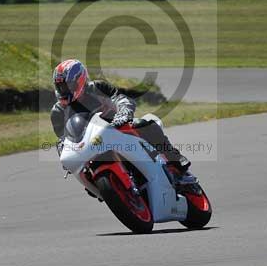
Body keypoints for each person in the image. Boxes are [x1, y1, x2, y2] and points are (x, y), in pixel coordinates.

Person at [50, 59, 197, 186]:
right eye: (60, 87)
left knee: (147, 123)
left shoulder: (98, 87)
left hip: (119, 127)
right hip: (91, 144)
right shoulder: (58, 112)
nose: (63, 90)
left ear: (80, 79)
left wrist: (123, 113)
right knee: (83, 173)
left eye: (66, 86)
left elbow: (121, 98)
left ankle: (175, 159)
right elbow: (64, 139)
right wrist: (64, 153)